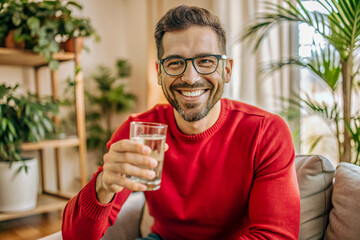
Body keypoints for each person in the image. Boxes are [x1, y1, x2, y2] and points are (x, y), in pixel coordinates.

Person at [62, 5, 300, 240]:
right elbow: (75, 237)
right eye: (175, 63)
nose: (190, 77)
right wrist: (103, 186)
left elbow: (275, 236)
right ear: (159, 73)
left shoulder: (265, 132)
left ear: (226, 69)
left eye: (206, 61)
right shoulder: (139, 132)